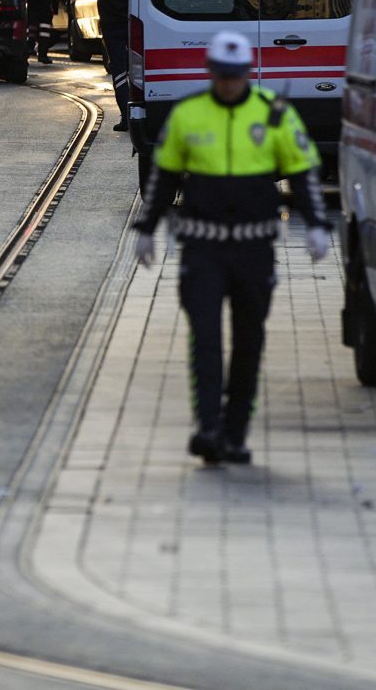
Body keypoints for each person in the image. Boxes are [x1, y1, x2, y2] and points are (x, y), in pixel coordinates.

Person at [129, 30, 331, 466]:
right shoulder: (188, 115)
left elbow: (303, 171)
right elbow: (164, 177)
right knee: (205, 337)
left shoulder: (274, 114)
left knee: (248, 341)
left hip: (254, 249)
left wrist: (316, 224)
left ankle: (235, 431)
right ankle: (208, 426)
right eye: (221, 75)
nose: (228, 84)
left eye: (236, 76)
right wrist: (147, 226)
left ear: (247, 73)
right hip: (203, 248)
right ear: (211, 73)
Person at [82, 0, 135, 127]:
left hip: (112, 26)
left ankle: (126, 116)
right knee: (138, 68)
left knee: (119, 71)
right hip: (133, 23)